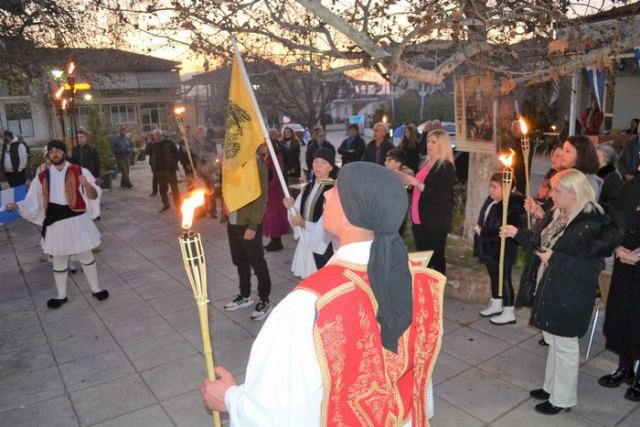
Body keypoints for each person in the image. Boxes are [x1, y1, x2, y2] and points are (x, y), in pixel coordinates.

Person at [201, 161, 445, 426]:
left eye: (337, 190)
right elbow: (417, 382)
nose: (327, 194)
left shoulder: (311, 303)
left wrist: (229, 399)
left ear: (355, 211)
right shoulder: (420, 282)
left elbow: (278, 411)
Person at [501, 168, 620, 415]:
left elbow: (590, 269)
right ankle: (550, 388)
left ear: (574, 193)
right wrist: (517, 233)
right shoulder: (562, 214)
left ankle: (563, 400)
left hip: (571, 295)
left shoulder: (591, 224)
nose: (551, 194)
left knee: (565, 347)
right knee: (553, 340)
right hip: (553, 287)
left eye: (557, 190)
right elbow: (541, 242)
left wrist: (555, 258)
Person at [4, 140, 109, 309]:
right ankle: (61, 296)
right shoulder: (42, 177)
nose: (54, 153)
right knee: (59, 260)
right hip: (55, 223)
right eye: (51, 151)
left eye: (58, 150)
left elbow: (94, 195)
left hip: (77, 220)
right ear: (48, 155)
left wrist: (87, 185)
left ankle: (96, 289)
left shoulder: (80, 171)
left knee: (86, 256)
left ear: (63, 153)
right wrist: (17, 206)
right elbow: (32, 200)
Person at [600, 169, 640, 401]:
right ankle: (625, 367)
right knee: (623, 314)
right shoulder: (631, 186)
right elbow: (613, 220)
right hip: (625, 263)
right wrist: (616, 248)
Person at [223, 149, 273, 321]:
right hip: (233, 221)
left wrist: (253, 225)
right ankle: (245, 295)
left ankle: (265, 300)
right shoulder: (232, 161)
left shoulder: (256, 164)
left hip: (248, 223)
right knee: (240, 261)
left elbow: (262, 197)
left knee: (257, 262)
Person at [398, 129, 456, 274]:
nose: (428, 144)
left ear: (442, 145)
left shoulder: (446, 166)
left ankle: (437, 289)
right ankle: (425, 289)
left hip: (435, 220)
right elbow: (420, 187)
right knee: (423, 258)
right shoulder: (426, 162)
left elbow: (439, 194)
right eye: (428, 141)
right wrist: (410, 183)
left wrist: (416, 183)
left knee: (436, 258)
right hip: (419, 218)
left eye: (433, 142)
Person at [474, 172, 525, 325]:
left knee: (504, 278)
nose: (491, 190)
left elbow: (504, 230)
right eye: (490, 186)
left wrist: (483, 232)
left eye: (495, 187)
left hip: (503, 250)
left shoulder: (511, 207)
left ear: (507, 188)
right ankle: (496, 302)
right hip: (490, 249)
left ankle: (509, 310)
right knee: (494, 277)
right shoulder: (492, 201)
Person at [284, 147, 337, 278]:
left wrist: (303, 223)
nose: (318, 166)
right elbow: (296, 212)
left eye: (323, 163)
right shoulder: (308, 186)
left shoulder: (334, 188)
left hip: (323, 244)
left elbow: (328, 223)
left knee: (323, 279)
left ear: (331, 167)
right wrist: (290, 208)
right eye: (315, 162)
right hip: (306, 241)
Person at [526, 135, 602, 223]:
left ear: (581, 155)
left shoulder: (588, 182)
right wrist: (537, 209)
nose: (561, 154)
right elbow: (551, 210)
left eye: (567, 151)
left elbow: (573, 221)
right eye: (563, 149)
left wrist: (543, 216)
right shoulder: (565, 176)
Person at [259, 143, 289, 252]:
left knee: (274, 217)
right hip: (269, 192)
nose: (262, 148)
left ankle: (277, 242)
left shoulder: (276, 159)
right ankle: (274, 240)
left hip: (274, 193)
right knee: (270, 218)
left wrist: (265, 187)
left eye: (264, 146)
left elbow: (276, 178)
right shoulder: (266, 158)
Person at [150, 129, 181, 213]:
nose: (155, 138)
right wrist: (153, 167)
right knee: (163, 189)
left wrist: (173, 163)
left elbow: (177, 154)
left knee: (175, 189)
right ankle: (166, 205)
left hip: (170, 170)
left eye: (156, 136)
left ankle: (178, 206)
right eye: (154, 136)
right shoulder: (153, 145)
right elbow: (151, 156)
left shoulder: (169, 142)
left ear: (160, 135)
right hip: (160, 171)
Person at [596, 143, 624, 214]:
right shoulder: (595, 174)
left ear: (607, 160)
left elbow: (613, 206)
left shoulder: (614, 179)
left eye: (596, 157)